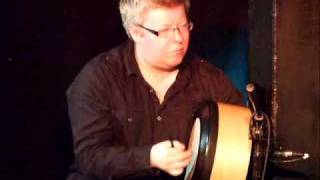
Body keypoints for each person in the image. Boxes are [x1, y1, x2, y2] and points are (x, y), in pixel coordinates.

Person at [66, 0, 243, 179]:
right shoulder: (99, 77)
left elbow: (242, 137)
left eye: (183, 26)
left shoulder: (211, 80)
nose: (179, 39)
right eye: (165, 30)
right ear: (136, 33)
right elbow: (89, 158)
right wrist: (149, 158)